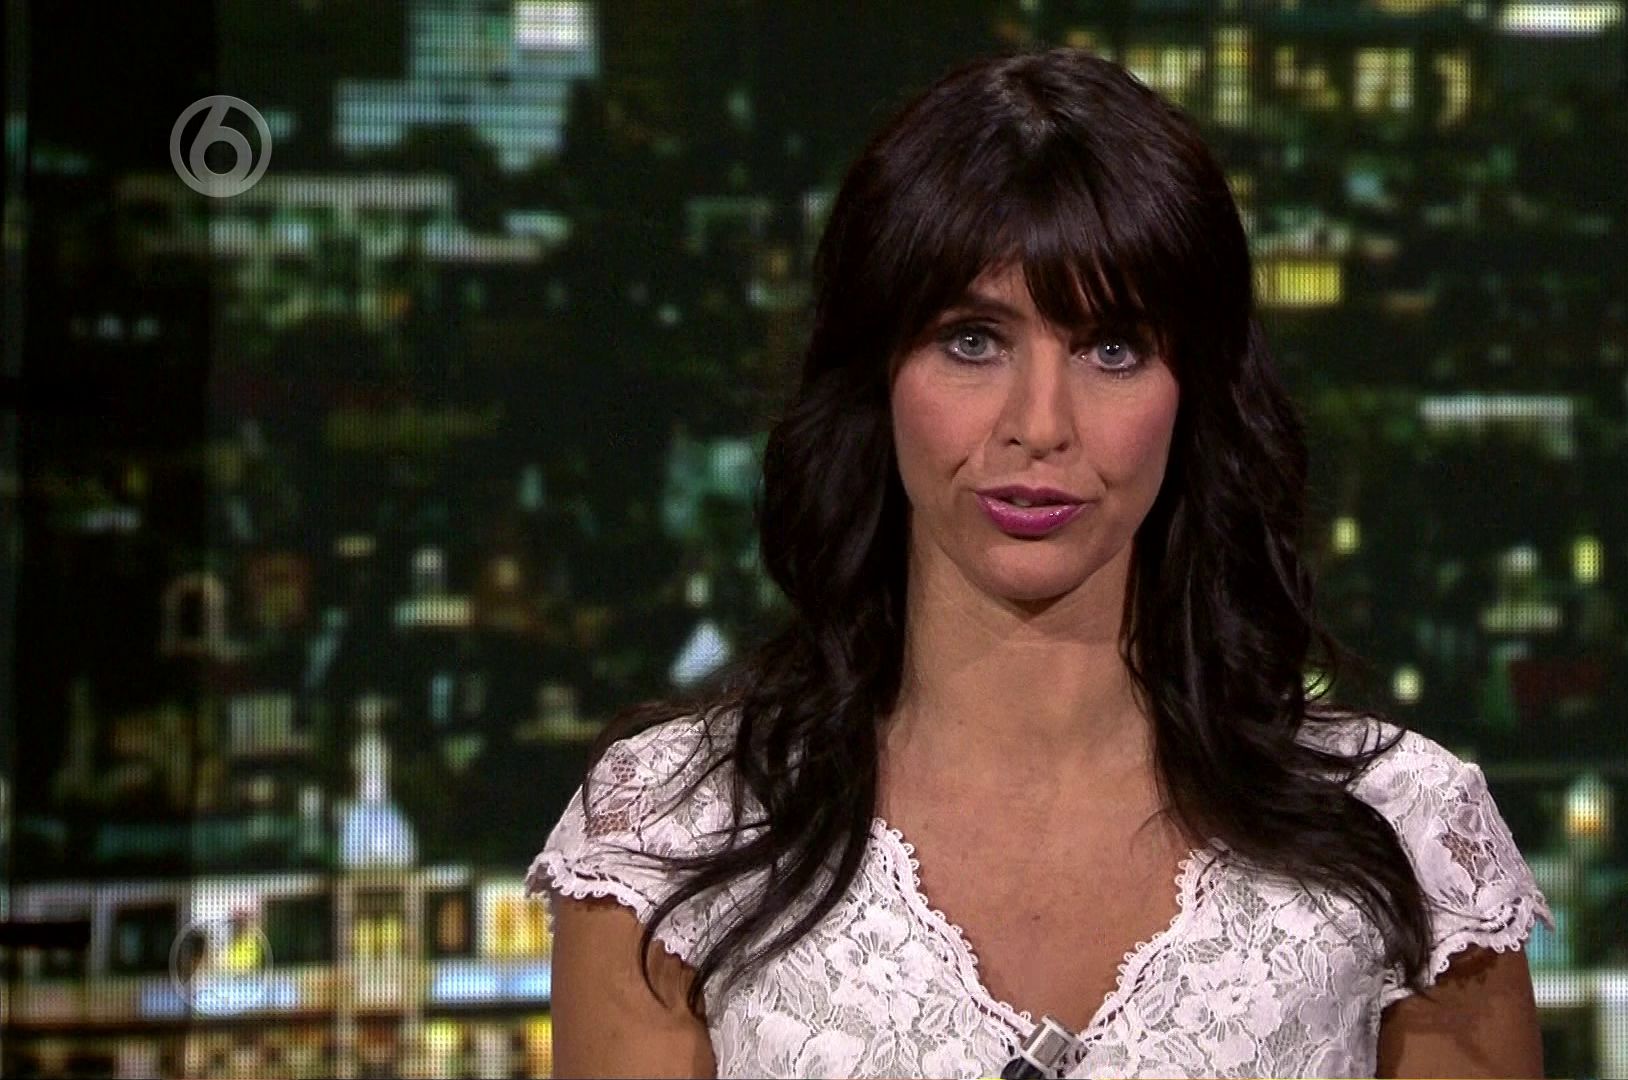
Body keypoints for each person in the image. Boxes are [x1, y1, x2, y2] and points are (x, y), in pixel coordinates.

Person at [526, 45, 1555, 1079]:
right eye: (973, 340)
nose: (1040, 424)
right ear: (877, 375)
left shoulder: (1406, 840)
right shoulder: (675, 837)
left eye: (1113, 349)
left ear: (1194, 393)